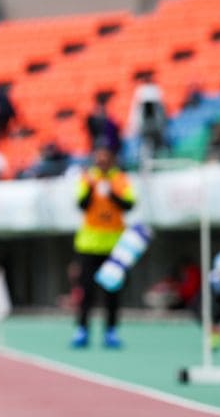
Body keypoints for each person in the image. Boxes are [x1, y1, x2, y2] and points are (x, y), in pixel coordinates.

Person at [70, 146, 137, 349]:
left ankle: (111, 331)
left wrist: (111, 194)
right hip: (89, 245)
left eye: (105, 158)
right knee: (87, 291)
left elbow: (129, 205)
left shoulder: (121, 179)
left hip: (114, 246)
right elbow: (81, 205)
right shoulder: (87, 178)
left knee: (112, 291)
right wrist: (92, 188)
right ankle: (82, 330)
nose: (102, 162)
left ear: (112, 159)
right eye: (98, 158)